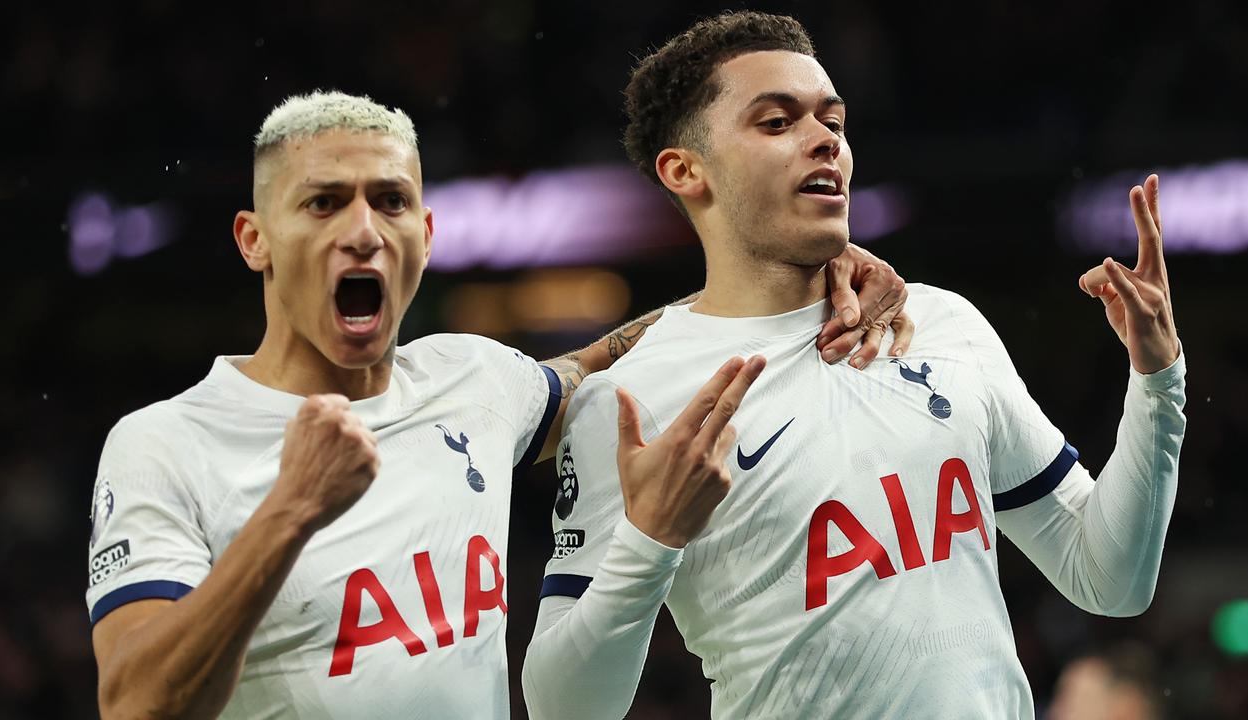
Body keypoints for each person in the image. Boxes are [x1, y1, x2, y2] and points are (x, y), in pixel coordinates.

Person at [84, 90, 910, 718]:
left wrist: (807, 277)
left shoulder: (472, 381)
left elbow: (603, 359)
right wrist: (290, 511)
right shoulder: (165, 444)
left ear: (427, 235)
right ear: (254, 238)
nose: (365, 230)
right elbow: (135, 702)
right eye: (324, 202)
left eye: (391, 201)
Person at [522, 11, 1187, 719]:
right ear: (686, 170)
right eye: (777, 123)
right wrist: (649, 542)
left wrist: (1158, 379)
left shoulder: (937, 323)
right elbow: (564, 707)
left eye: (833, 122)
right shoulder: (632, 398)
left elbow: (1108, 576)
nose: (824, 142)